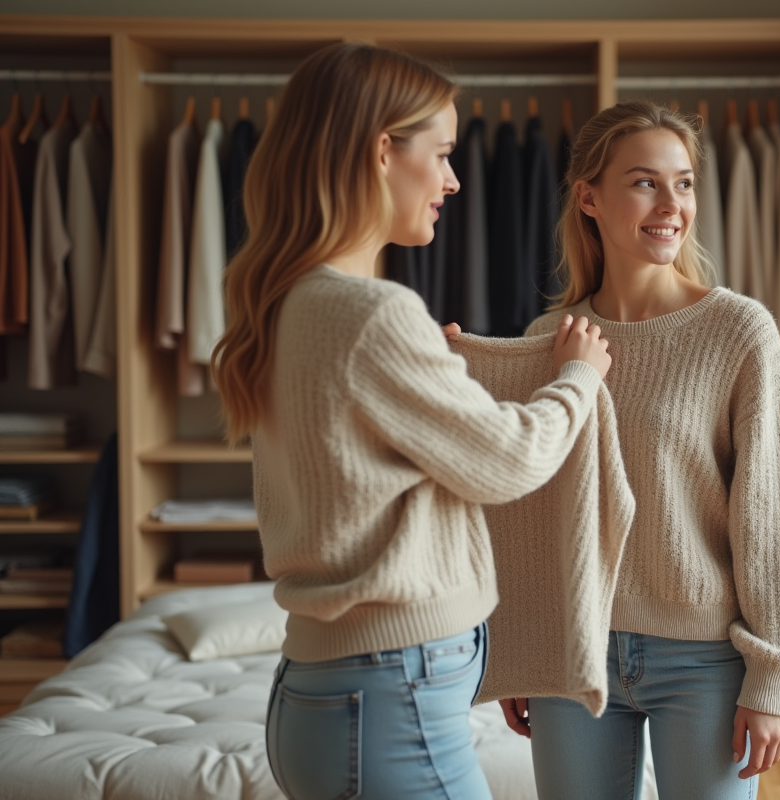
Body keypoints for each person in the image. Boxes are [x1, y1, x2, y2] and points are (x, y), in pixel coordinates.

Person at [211, 43, 611, 800]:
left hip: (329, 690)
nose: (456, 180)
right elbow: (510, 461)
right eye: (443, 154)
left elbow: (363, 464)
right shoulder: (371, 313)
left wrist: (440, 381)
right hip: (389, 694)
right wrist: (578, 378)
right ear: (381, 152)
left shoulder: (289, 303)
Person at [501, 100, 780, 800]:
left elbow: (772, 518)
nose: (671, 203)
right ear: (589, 197)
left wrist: (774, 678)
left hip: (703, 661)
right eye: (645, 181)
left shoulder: (737, 331)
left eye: (685, 182)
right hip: (574, 655)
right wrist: (521, 649)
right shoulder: (550, 335)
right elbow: (531, 509)